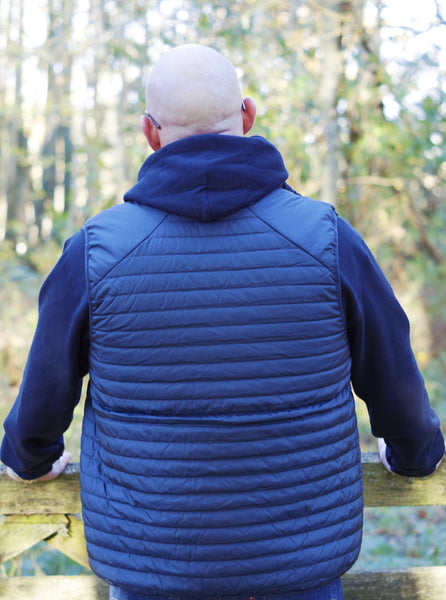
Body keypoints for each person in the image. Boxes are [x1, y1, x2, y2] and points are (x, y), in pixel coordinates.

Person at [1, 44, 444, 600]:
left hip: (154, 576)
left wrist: (29, 458)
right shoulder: (327, 239)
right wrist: (414, 454)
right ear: (248, 115)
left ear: (150, 132)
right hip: (297, 573)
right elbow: (394, 378)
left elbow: (42, 398)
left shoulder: (95, 253)